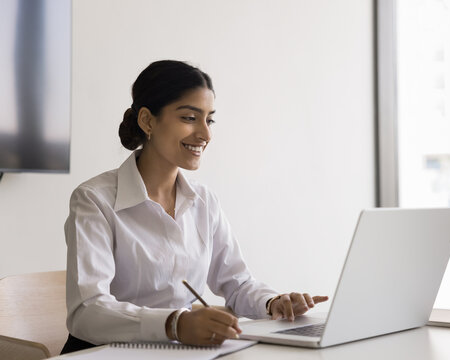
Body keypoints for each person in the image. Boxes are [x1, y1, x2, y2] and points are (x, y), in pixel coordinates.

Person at [61, 60, 328, 354]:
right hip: (105, 353)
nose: (205, 134)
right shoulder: (94, 199)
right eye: (190, 118)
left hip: (178, 352)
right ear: (148, 121)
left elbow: (237, 284)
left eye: (209, 120)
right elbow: (87, 312)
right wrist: (175, 324)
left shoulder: (204, 201)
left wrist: (273, 302)